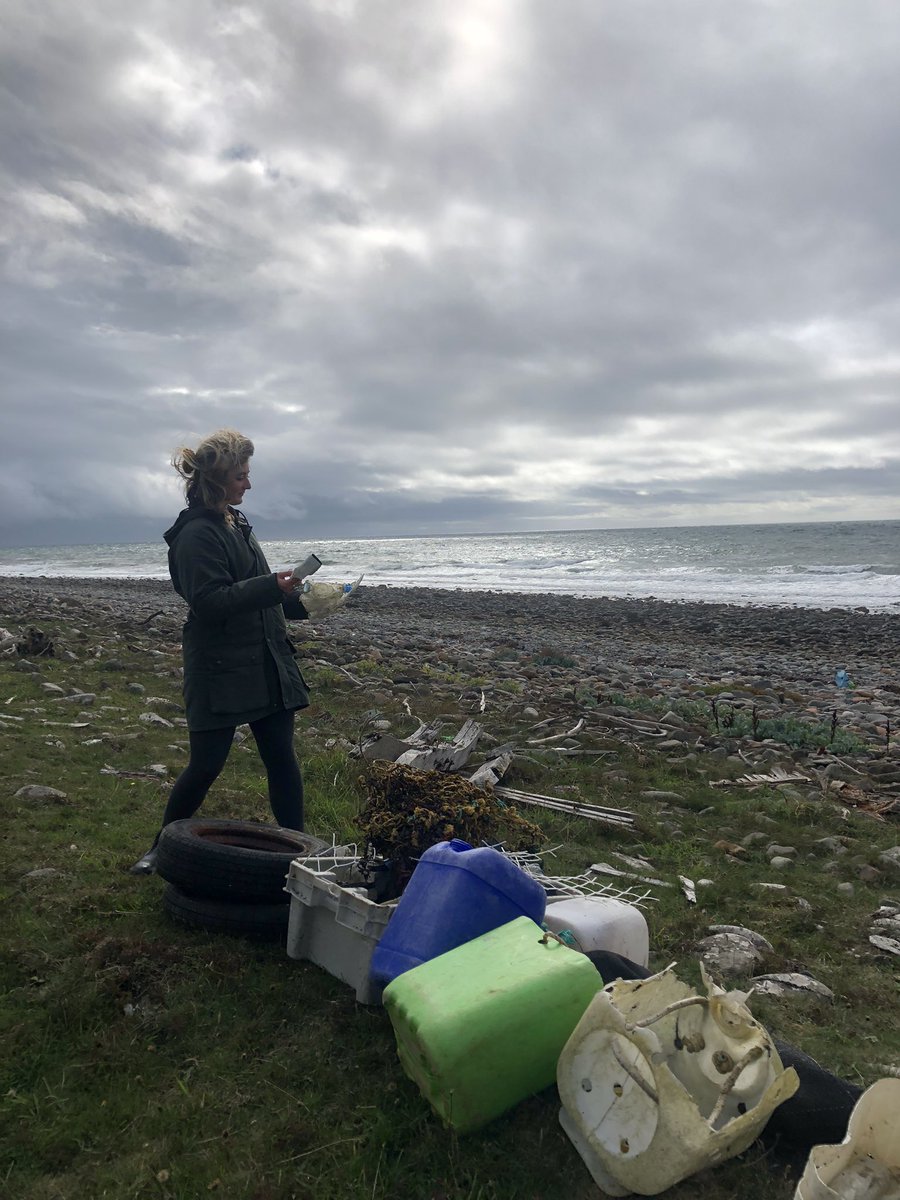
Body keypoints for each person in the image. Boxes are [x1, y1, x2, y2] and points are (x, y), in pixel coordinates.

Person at [130, 429, 311, 874]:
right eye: (240, 476)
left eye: (247, 475)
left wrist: (305, 602)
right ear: (215, 482)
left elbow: (259, 588)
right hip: (219, 666)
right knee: (206, 764)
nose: (248, 484)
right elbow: (209, 601)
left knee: (282, 760)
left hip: (267, 659)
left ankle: (303, 853)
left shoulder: (237, 522)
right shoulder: (196, 536)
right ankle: (160, 848)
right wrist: (270, 586)